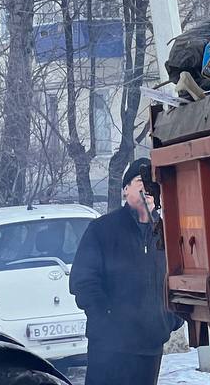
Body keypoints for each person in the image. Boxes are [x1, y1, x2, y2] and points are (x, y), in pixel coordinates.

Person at [70, 159, 181, 385]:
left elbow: (180, 278)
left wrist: (170, 319)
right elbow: (83, 280)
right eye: (141, 181)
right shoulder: (102, 229)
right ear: (125, 190)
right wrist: (106, 317)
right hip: (110, 347)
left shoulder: (169, 233)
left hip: (150, 344)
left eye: (153, 182)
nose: (148, 187)